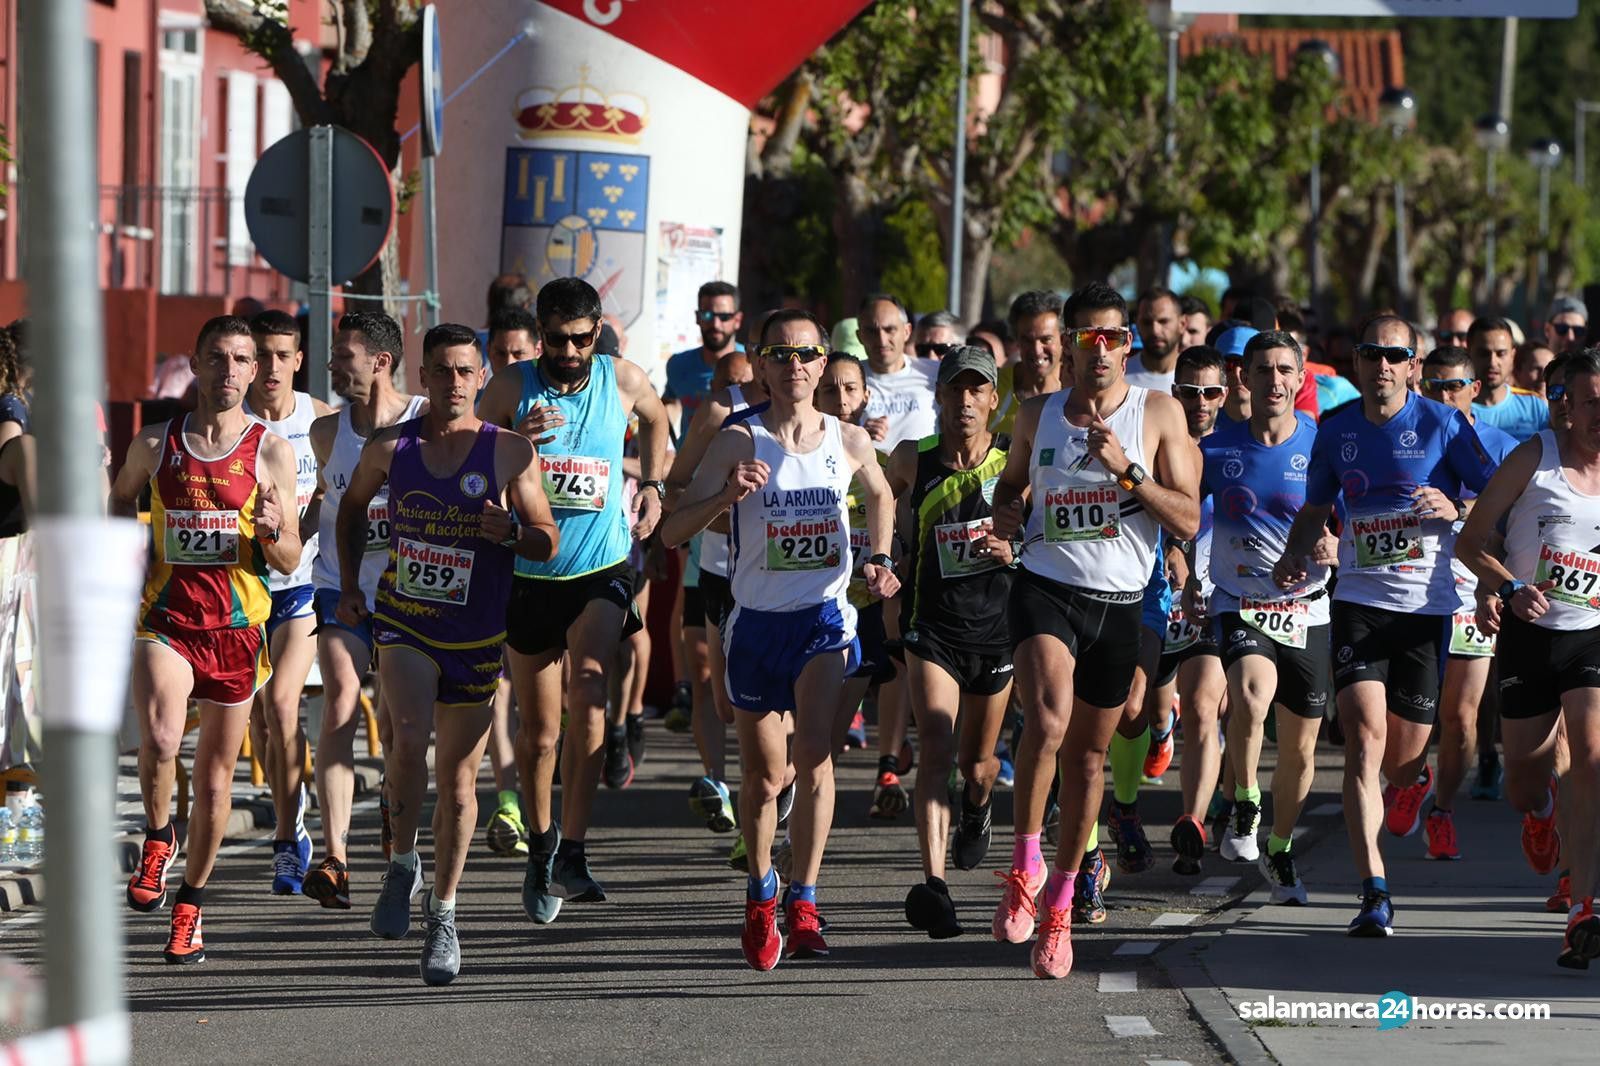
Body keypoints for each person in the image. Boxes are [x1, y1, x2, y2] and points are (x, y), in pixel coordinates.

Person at [662, 309, 899, 970]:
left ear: (824, 364)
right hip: (756, 624)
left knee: (817, 754)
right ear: (761, 367)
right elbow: (671, 533)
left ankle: (805, 898)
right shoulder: (739, 440)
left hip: (824, 620)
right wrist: (722, 499)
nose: (795, 366)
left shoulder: (848, 442)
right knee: (766, 778)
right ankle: (762, 887)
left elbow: (881, 493)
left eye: (807, 354)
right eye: (781, 355)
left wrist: (881, 559)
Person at [989, 281, 1200, 979]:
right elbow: (1010, 486)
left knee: (1086, 757)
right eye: (1087, 337)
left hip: (1117, 601)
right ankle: (1024, 863)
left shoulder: (1160, 412)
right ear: (1069, 345)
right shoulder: (1037, 413)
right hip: (1045, 585)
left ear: (1127, 344)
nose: (1099, 349)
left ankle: (1058, 903)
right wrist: (1010, 511)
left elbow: (1189, 520)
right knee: (1046, 722)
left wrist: (1129, 471)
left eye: (1112, 336)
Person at [337, 323, 558, 985]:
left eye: (466, 371)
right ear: (423, 375)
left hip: (476, 636)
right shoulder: (390, 447)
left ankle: (444, 911)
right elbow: (350, 510)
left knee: (461, 784)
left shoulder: (510, 453)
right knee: (407, 737)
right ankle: (403, 861)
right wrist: (350, 586)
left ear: (480, 376)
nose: (455, 383)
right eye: (442, 371)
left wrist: (514, 533)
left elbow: (547, 537)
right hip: (405, 621)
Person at [1275, 314, 1495, 937]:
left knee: (1401, 761)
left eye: (1394, 355)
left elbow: (1493, 499)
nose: (1381, 365)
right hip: (1359, 604)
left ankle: (1415, 780)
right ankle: (1374, 889)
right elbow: (1315, 509)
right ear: (1358, 361)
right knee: (1364, 741)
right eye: (1370, 352)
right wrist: (1295, 556)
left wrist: (1459, 506)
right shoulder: (1337, 431)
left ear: (1412, 366)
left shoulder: (1442, 423)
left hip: (1427, 610)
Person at [477, 276, 668, 922]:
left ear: (596, 332)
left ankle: (577, 850)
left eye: (580, 340)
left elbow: (658, 420)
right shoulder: (510, 388)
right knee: (539, 735)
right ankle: (542, 844)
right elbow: (463, 454)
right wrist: (512, 438)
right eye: (555, 340)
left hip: (601, 567)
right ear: (540, 334)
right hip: (530, 575)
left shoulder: (622, 379)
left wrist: (655, 487)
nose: (568, 351)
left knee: (590, 691)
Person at [116, 315, 303, 964]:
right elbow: (117, 505)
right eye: (217, 358)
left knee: (217, 780)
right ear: (195, 365)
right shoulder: (154, 444)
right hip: (166, 621)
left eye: (242, 361)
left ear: (256, 372)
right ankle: (158, 836)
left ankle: (190, 904)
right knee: (163, 737)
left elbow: (286, 560)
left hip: (236, 630)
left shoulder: (270, 450)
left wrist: (274, 529)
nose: (230, 372)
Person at [1457, 346, 1600, 968]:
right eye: (1592, 402)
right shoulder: (1532, 458)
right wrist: (1507, 588)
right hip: (1530, 633)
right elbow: (1470, 539)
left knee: (1592, 756)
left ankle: (1584, 906)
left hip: (1591, 634)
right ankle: (1541, 814)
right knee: (1524, 780)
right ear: (1566, 408)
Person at [1196, 332, 1334, 904]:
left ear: (1300, 377)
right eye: (1262, 370)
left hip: (1307, 608)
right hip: (1239, 601)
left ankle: (1280, 849)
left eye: (1284, 370)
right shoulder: (1215, 448)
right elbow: (1183, 515)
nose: (1273, 380)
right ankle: (1246, 803)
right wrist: (1184, 570)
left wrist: (1332, 545)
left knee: (1301, 752)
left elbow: (1348, 520)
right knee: (1251, 696)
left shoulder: (1323, 446)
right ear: (1243, 379)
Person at [301, 311, 428, 908]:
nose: (330, 364)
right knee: (339, 710)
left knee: (406, 733)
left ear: (381, 362)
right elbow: (324, 509)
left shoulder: (424, 421)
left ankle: (393, 808)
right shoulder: (328, 433)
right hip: (339, 588)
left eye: (342, 355)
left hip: (411, 595)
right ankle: (336, 858)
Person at [889, 345, 1015, 939]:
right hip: (931, 626)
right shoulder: (913, 459)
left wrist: (1015, 550)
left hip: (997, 631)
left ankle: (979, 806)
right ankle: (934, 884)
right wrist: (881, 559)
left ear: (993, 398)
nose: (964, 401)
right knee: (935, 747)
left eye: (976, 390)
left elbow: (1043, 529)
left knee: (977, 763)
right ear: (937, 396)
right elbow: (870, 501)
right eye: (954, 390)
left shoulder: (1012, 462)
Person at [1406, 346, 1521, 861]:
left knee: (1461, 715)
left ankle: (1443, 811)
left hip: (1474, 583)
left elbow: (1513, 512)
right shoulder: (1403, 437)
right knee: (1406, 716)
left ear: (1476, 388)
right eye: (1433, 386)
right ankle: (1414, 776)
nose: (1444, 396)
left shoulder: (1502, 446)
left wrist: (1460, 507)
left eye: (1454, 386)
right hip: (1412, 589)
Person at [241, 310, 334, 895]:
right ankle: (291, 818)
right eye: (263, 355)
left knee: (282, 706)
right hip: (246, 589)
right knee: (260, 722)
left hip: (304, 583)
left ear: (298, 360)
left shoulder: (322, 420)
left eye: (283, 355)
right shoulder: (232, 423)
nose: (272, 366)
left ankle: (286, 835)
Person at [1149, 348, 1227, 878]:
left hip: (1212, 602)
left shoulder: (1234, 449)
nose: (1198, 403)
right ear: (1173, 392)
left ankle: (1191, 825)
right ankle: (1160, 730)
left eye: (1210, 392)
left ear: (1226, 394)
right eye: (1188, 391)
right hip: (1152, 599)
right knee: (1149, 715)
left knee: (1203, 706)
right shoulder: (1151, 440)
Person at [856, 293, 939, 451]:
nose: (881, 340)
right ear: (859, 336)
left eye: (890, 330)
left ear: (907, 331)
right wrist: (857, 433)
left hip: (927, 475)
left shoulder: (934, 373)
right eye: (872, 331)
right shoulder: (844, 379)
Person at [663, 281, 744, 441]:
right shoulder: (678, 364)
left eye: (724, 317)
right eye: (707, 315)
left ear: (737, 320)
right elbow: (671, 404)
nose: (715, 324)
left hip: (737, 462)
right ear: (698, 318)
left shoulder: (754, 365)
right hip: (689, 463)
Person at [991, 290, 1066, 438]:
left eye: (1046, 339)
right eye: (1027, 340)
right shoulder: (993, 387)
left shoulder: (1079, 390)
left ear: (1063, 339)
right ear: (1016, 340)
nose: (1037, 350)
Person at [1470, 316, 1550, 441]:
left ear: (1512, 355)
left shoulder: (1534, 406)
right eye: (1484, 353)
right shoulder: (1455, 408)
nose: (1492, 362)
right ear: (1469, 353)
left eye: (1501, 353)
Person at [1125, 287, 1184, 391]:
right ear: (1137, 324)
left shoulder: (1196, 383)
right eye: (1147, 322)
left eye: (1163, 321)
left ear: (1182, 324)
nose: (1155, 330)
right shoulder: (1119, 376)